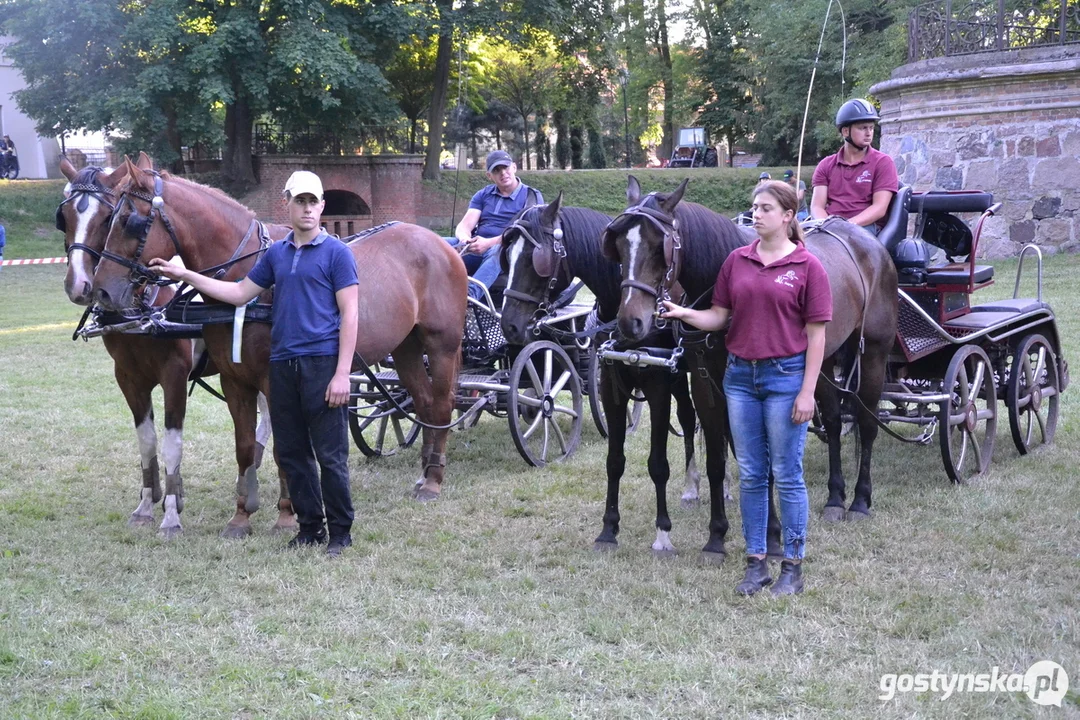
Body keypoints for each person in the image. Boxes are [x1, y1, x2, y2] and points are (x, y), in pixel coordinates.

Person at [149, 171, 359, 557]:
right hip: (282, 364)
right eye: (300, 201)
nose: (307, 209)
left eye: (313, 202)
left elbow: (351, 314)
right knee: (293, 453)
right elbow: (239, 292)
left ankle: (340, 534)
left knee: (330, 456)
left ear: (322, 206)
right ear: (288, 204)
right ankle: (310, 527)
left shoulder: (337, 254)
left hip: (322, 364)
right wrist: (186, 274)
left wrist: (342, 373)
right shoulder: (277, 253)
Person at [659, 180, 831, 597]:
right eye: (754, 207)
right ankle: (756, 563)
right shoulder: (736, 261)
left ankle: (793, 565)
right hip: (739, 380)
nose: (756, 214)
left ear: (788, 217)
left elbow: (816, 337)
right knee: (752, 474)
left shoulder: (808, 267)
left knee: (786, 475)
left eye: (766, 208)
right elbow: (720, 316)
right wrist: (684, 313)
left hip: (785, 378)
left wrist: (807, 392)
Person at [448, 150, 542, 300]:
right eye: (497, 170)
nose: (503, 173)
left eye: (505, 167)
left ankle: (469, 298)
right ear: (489, 176)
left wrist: (488, 243)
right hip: (475, 246)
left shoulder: (531, 196)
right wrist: (465, 239)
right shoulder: (483, 194)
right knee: (438, 243)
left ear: (514, 168)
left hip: (508, 251)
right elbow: (464, 225)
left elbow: (525, 233)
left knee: (498, 250)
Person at [810, 99, 898, 235]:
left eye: (871, 128)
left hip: (866, 228)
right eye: (863, 128)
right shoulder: (825, 165)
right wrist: (827, 226)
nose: (869, 133)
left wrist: (847, 226)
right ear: (846, 131)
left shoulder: (883, 163)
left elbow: (880, 208)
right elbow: (817, 206)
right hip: (828, 227)